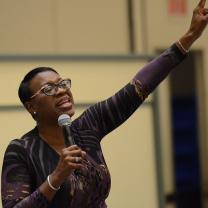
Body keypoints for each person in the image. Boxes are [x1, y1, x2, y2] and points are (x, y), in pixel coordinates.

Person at [1, 0, 208, 207]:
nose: (62, 90)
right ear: (31, 107)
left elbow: (137, 89)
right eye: (49, 89)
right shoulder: (21, 150)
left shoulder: (87, 127)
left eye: (63, 83)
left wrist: (190, 36)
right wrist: (56, 177)